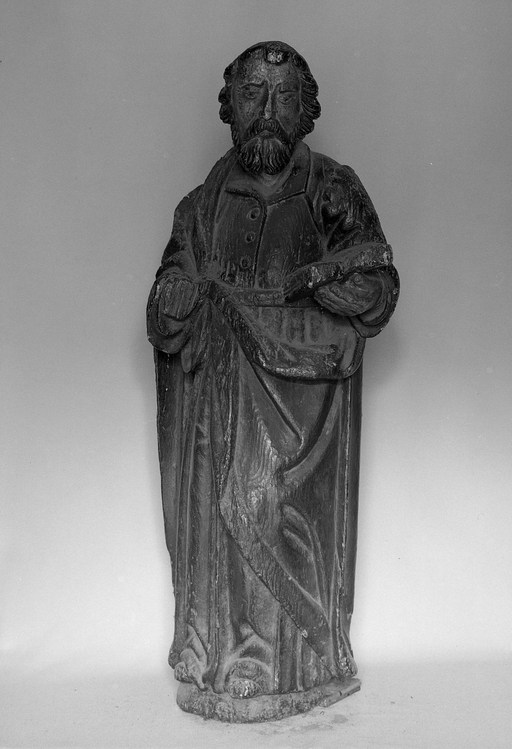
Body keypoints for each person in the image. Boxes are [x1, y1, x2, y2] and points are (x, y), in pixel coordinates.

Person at [147, 41, 399, 721]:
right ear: (229, 107)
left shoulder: (331, 189)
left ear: (306, 111)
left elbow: (376, 284)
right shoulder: (201, 206)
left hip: (300, 405)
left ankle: (289, 657)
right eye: (252, 94)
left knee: (262, 505)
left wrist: (340, 294)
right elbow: (169, 295)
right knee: (217, 511)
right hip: (218, 395)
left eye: (284, 97)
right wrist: (174, 302)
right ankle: (213, 648)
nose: (266, 111)